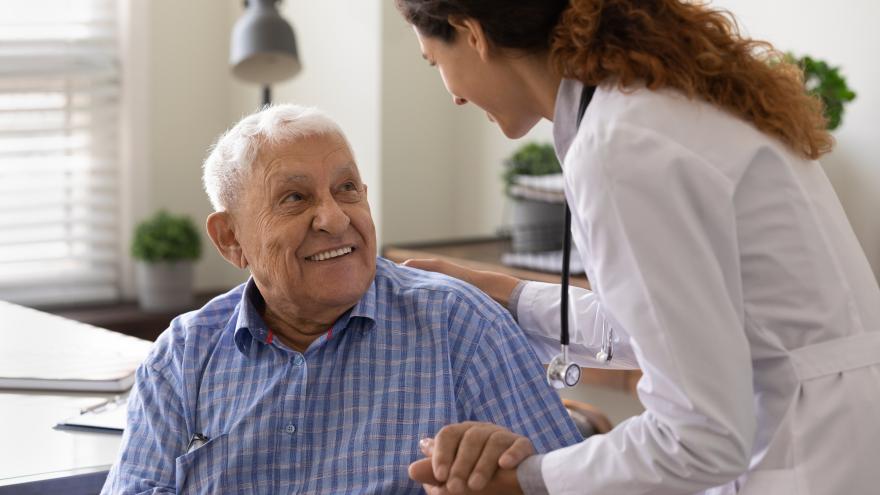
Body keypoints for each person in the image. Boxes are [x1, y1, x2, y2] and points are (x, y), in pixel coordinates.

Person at [395, 0, 880, 494]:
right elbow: (678, 324)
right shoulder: (660, 105)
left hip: (812, 456)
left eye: (435, 63)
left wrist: (527, 481)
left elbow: (698, 438)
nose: (452, 96)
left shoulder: (618, 146)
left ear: (470, 32)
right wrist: (511, 296)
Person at [100, 104, 583, 494]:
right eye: (295, 198)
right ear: (230, 239)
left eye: (346, 189)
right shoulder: (183, 356)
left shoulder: (459, 326)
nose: (333, 218)